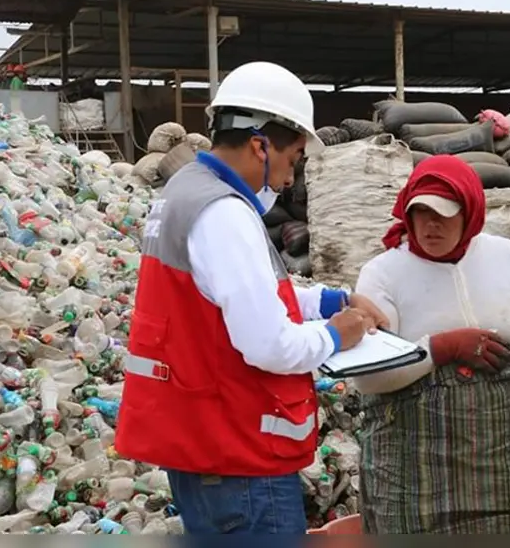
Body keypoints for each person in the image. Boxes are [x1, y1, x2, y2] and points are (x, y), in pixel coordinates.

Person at [114, 61, 389, 535]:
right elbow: (268, 344)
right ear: (261, 145)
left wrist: (330, 300)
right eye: (293, 158)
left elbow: (231, 299)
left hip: (200, 447)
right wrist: (336, 334)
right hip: (238, 460)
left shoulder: (185, 191)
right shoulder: (225, 212)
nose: (289, 179)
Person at [351, 155, 510, 534]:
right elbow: (369, 380)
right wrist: (441, 348)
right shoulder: (383, 273)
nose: (431, 224)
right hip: (417, 467)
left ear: (471, 214)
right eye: (421, 213)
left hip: (508, 459)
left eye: (444, 213)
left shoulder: (507, 257)